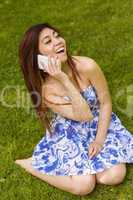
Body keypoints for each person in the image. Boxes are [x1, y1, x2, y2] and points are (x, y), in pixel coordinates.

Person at [15, 23, 133, 196]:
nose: (58, 42)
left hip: (99, 122)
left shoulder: (87, 65)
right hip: (70, 131)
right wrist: (63, 79)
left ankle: (92, 166)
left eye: (57, 35)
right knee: (83, 186)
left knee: (113, 176)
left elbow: (105, 103)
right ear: (39, 57)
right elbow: (84, 115)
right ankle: (32, 165)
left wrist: (99, 140)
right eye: (48, 41)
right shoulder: (47, 90)